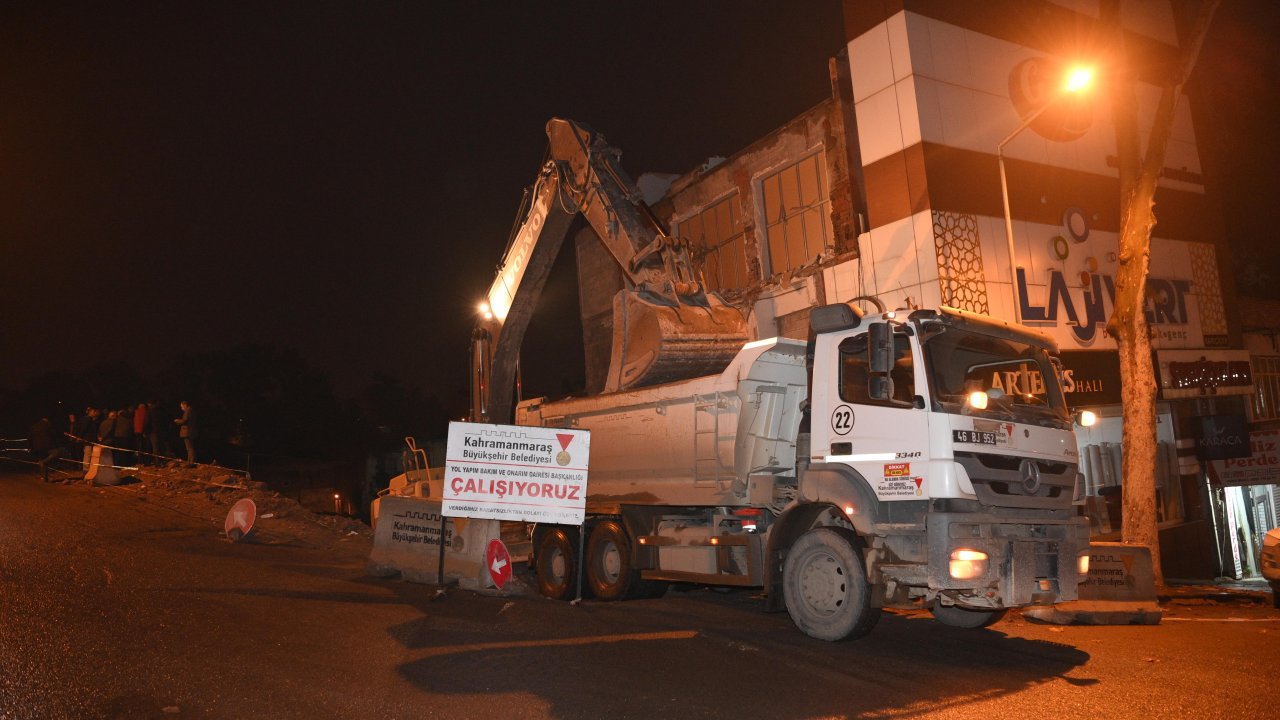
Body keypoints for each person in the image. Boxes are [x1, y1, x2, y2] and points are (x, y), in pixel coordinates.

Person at [175, 400, 197, 466]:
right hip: (190, 431)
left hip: (187, 431)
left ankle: (191, 462)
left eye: (182, 406)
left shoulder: (187, 411)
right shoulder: (191, 410)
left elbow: (184, 420)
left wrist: (177, 421)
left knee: (189, 448)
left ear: (185, 405)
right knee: (190, 447)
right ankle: (190, 461)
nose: (181, 408)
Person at [133, 400, 150, 465]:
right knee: (145, 446)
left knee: (139, 446)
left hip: (137, 431)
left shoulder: (136, 412)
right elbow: (145, 422)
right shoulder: (146, 412)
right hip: (143, 431)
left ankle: (140, 461)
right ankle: (146, 461)